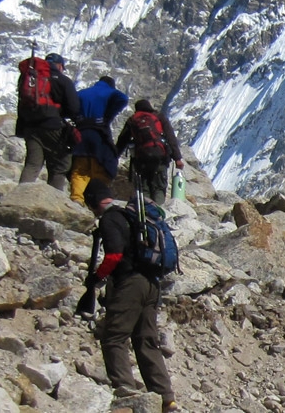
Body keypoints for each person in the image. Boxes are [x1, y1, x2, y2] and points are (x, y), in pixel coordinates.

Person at [81, 182, 177, 409]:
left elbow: (114, 255)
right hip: (152, 284)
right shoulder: (133, 217)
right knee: (146, 341)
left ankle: (125, 391)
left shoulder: (110, 219)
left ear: (93, 202)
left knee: (114, 337)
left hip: (130, 284)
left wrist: (97, 277)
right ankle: (166, 398)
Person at [18, 53, 80, 188]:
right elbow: (74, 108)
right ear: (59, 65)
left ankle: (20, 197)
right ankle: (54, 199)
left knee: (32, 164)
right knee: (60, 165)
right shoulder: (62, 80)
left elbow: (22, 102)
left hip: (30, 126)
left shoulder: (30, 78)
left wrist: (21, 129)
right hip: (53, 125)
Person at [69, 75, 128, 204]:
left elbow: (70, 104)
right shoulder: (108, 91)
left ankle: (77, 199)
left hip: (81, 133)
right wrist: (108, 116)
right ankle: (97, 200)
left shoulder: (82, 93)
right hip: (99, 134)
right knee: (100, 168)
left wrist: (77, 118)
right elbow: (123, 98)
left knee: (80, 169)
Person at [115, 99, 184, 201]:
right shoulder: (159, 117)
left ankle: (147, 211)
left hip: (141, 160)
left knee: (144, 188)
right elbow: (171, 138)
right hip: (160, 158)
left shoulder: (133, 120)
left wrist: (113, 157)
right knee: (159, 187)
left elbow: (122, 141)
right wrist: (177, 158)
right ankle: (157, 212)